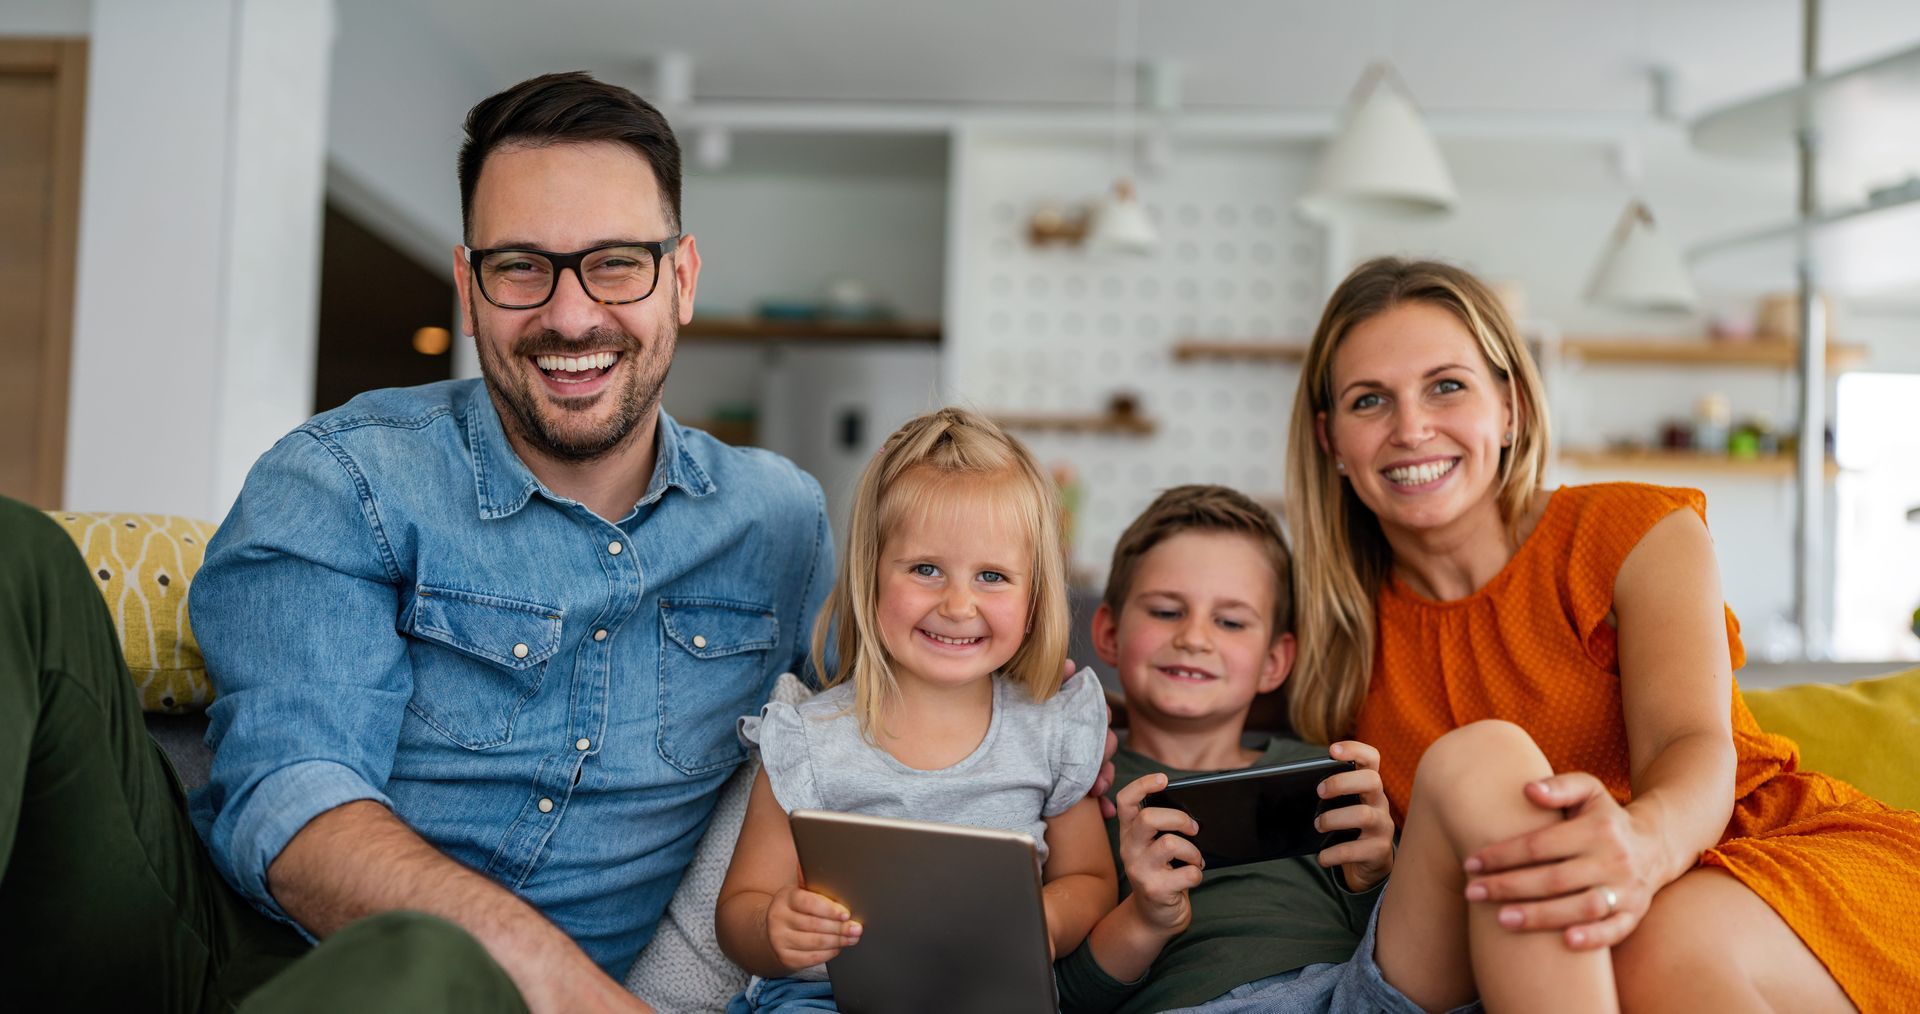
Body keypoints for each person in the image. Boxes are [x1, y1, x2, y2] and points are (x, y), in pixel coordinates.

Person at [1, 71, 834, 1014]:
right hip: (198, 944)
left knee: (426, 969)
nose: (568, 316)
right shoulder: (344, 478)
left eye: (614, 263)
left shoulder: (782, 523)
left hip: (438, 994)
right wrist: (563, 984)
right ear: (468, 287)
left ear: (680, 278)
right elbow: (294, 801)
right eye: (520, 265)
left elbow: (909, 686)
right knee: (12, 557)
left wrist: (1029, 671)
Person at [1285, 256, 1920, 1012]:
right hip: (1562, 937)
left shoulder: (1634, 532)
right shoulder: (1329, 636)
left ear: (1511, 407)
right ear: (1331, 440)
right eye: (1369, 401)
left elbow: (1691, 744)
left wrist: (1644, 848)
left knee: (1652, 947)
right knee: (1622, 941)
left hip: (1769, 855)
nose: (1412, 427)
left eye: (1447, 385)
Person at [1057, 484, 1614, 1014]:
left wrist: (1373, 877)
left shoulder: (1321, 772)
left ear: (1276, 660)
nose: (1195, 638)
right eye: (1165, 611)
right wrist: (1145, 918)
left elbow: (1405, 939)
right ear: (1107, 632)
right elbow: (1062, 996)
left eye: (1230, 621)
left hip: (1359, 993)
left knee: (1491, 748)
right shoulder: (1084, 782)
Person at [713, 407, 1116, 1012]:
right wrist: (774, 926)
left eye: (992, 576)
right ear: (870, 578)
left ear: (1035, 599)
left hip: (989, 996)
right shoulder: (809, 739)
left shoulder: (1051, 730)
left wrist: (1040, 924)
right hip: (826, 1000)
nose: (958, 604)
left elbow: (1091, 881)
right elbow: (740, 908)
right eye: (926, 569)